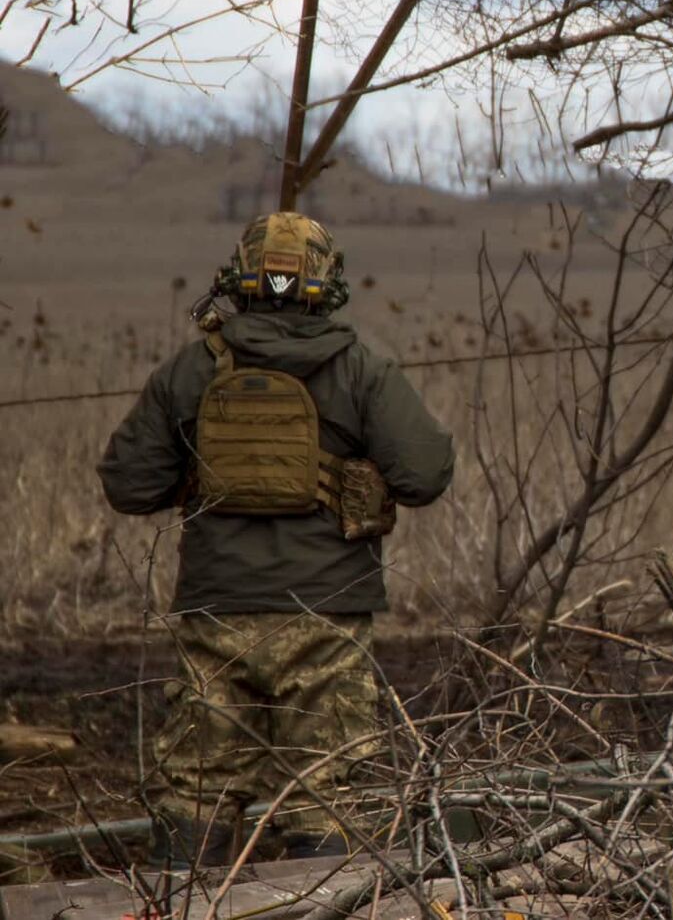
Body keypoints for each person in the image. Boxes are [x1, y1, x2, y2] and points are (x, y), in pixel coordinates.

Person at [98, 212, 453, 868]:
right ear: (328, 281)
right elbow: (425, 473)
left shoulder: (191, 370)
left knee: (195, 788)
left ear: (239, 278)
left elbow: (127, 483)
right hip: (326, 614)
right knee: (328, 788)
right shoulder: (362, 369)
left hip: (215, 611)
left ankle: (178, 910)